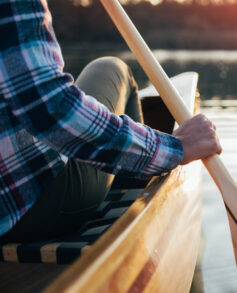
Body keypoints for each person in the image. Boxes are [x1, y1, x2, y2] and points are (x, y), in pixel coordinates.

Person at [0, 0, 221, 242]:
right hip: (26, 208)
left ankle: (131, 169)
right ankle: (136, 186)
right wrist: (172, 150)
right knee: (112, 68)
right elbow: (51, 109)